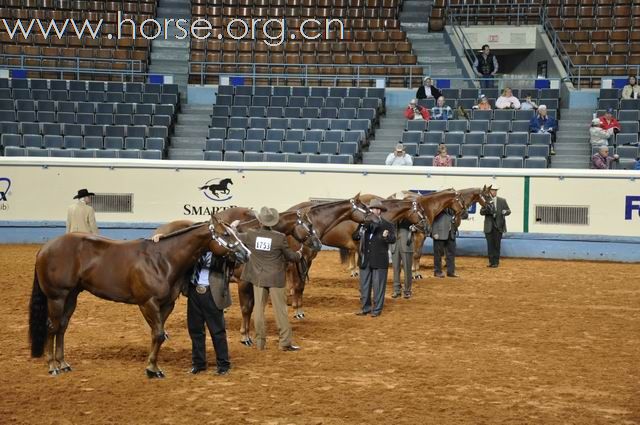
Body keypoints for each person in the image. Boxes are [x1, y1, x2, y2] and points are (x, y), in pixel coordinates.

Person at [238, 206, 303, 351]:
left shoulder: (251, 235)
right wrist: (300, 253)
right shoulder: (279, 238)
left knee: (259, 311)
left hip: (259, 277)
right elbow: (291, 257)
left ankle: (260, 342)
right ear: (273, 222)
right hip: (276, 278)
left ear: (260, 221)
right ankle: (284, 343)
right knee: (280, 310)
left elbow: (236, 237)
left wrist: (234, 226)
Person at [352, 199, 396, 317]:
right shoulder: (363, 225)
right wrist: (360, 231)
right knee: (364, 287)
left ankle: (376, 310)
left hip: (380, 260)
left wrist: (386, 237)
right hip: (365, 260)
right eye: (372, 209)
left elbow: (393, 239)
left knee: (378, 287)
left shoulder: (388, 225)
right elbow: (354, 237)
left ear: (380, 211)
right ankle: (365, 308)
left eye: (377, 209)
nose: (374, 211)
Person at [480, 187, 510, 268]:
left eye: (495, 190)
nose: (494, 192)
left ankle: (496, 262)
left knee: (497, 245)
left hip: (499, 226)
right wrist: (488, 210)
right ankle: (491, 262)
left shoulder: (502, 200)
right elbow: (481, 212)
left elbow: (508, 210)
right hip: (489, 227)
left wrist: (505, 212)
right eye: (493, 190)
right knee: (490, 245)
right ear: (490, 192)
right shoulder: (486, 201)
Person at [430, 208, 459, 278]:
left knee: (451, 253)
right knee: (438, 254)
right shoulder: (438, 207)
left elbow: (465, 215)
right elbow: (431, 219)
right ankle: (437, 271)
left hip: (451, 233)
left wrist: (460, 211)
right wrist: (434, 232)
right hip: (439, 233)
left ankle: (451, 272)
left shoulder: (454, 207)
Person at [391, 218, 414, 299]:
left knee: (407, 269)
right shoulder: (393, 213)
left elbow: (419, 225)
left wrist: (414, 228)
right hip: (394, 244)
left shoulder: (410, 214)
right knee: (395, 268)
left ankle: (407, 290)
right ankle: (396, 290)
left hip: (406, 244)